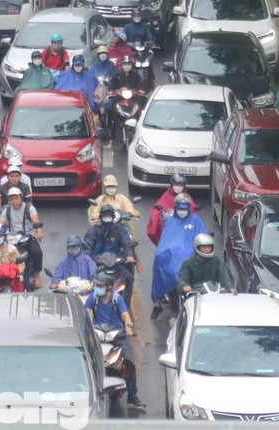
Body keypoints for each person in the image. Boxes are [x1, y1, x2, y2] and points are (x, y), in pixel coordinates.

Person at [83, 273, 143, 409]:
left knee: (129, 362)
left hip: (117, 336)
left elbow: (126, 316)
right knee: (85, 358)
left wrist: (129, 328)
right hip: (98, 335)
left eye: (100, 286)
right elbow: (86, 313)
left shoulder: (118, 299)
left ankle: (132, 396)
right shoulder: (93, 298)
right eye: (96, 285)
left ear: (109, 287)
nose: (97, 288)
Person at [0, 187, 44, 289]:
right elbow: (0, 225)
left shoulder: (29, 209)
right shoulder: (7, 211)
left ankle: (37, 278)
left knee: (37, 252)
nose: (14, 201)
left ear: (21, 198)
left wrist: (39, 232)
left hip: (28, 237)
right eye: (11, 199)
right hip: (12, 238)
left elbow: (36, 221)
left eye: (16, 198)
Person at [174, 233, 235, 304]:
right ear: (198, 248)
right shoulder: (188, 263)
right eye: (204, 247)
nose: (207, 250)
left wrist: (230, 287)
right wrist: (184, 286)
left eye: (209, 247)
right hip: (195, 296)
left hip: (215, 295)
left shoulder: (216, 261)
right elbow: (182, 278)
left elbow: (224, 274)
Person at [147, 174, 193, 245]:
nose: (178, 187)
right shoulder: (166, 196)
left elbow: (193, 209)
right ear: (172, 185)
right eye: (176, 185)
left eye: (180, 185)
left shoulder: (186, 197)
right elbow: (157, 209)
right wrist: (158, 212)